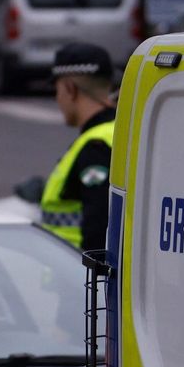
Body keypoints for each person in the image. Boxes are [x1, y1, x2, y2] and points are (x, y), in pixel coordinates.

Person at [35, 42, 116, 251]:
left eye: (57, 89)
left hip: (73, 268)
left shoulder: (95, 147)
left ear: (70, 89)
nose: (57, 98)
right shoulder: (118, 131)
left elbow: (98, 228)